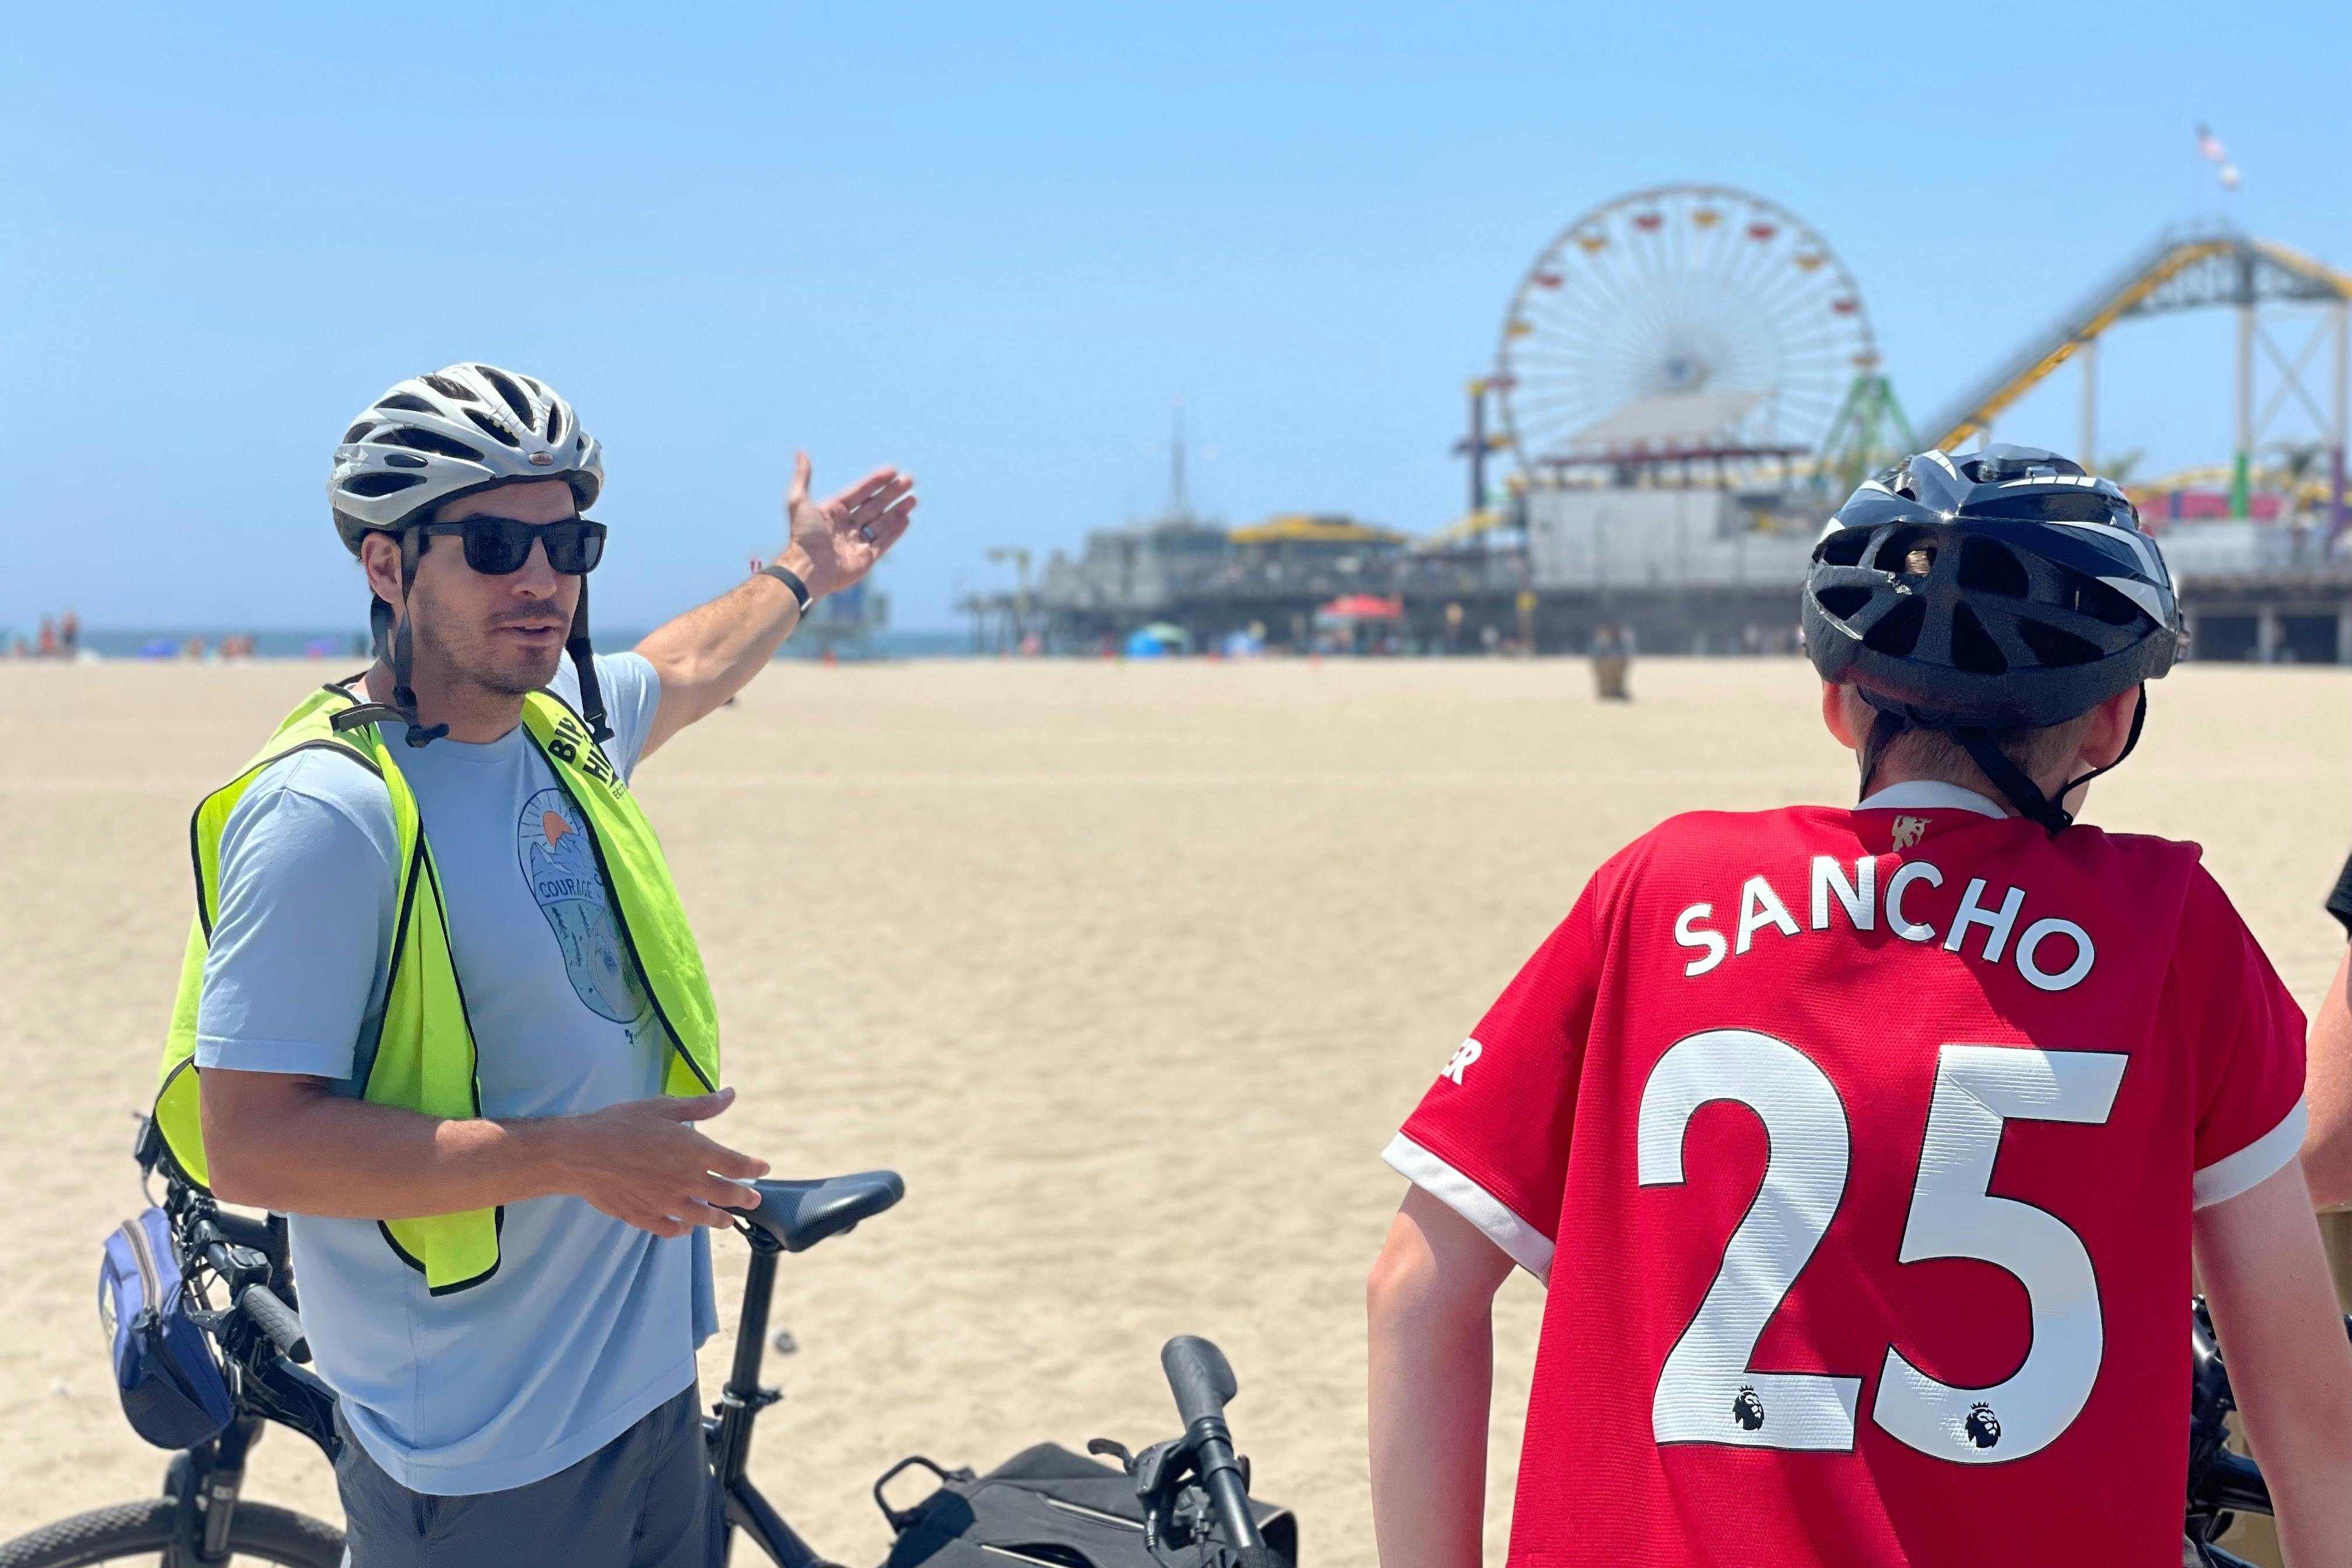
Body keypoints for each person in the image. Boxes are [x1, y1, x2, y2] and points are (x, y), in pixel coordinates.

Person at [1366, 446, 2352, 1566]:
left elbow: (1414, 1290)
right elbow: (2307, 1419)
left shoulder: (1659, 889)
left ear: (1840, 705)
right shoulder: (2172, 929)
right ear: (2109, 723)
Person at [150, 363, 914, 1567]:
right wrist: (573, 1157)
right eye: (498, 542)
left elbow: (696, 666)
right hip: (485, 1451)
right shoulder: (332, 812)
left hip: (649, 1391)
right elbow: (253, 1141)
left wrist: (801, 573)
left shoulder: (563, 728)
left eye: (570, 542)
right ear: (386, 565)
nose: (545, 579)